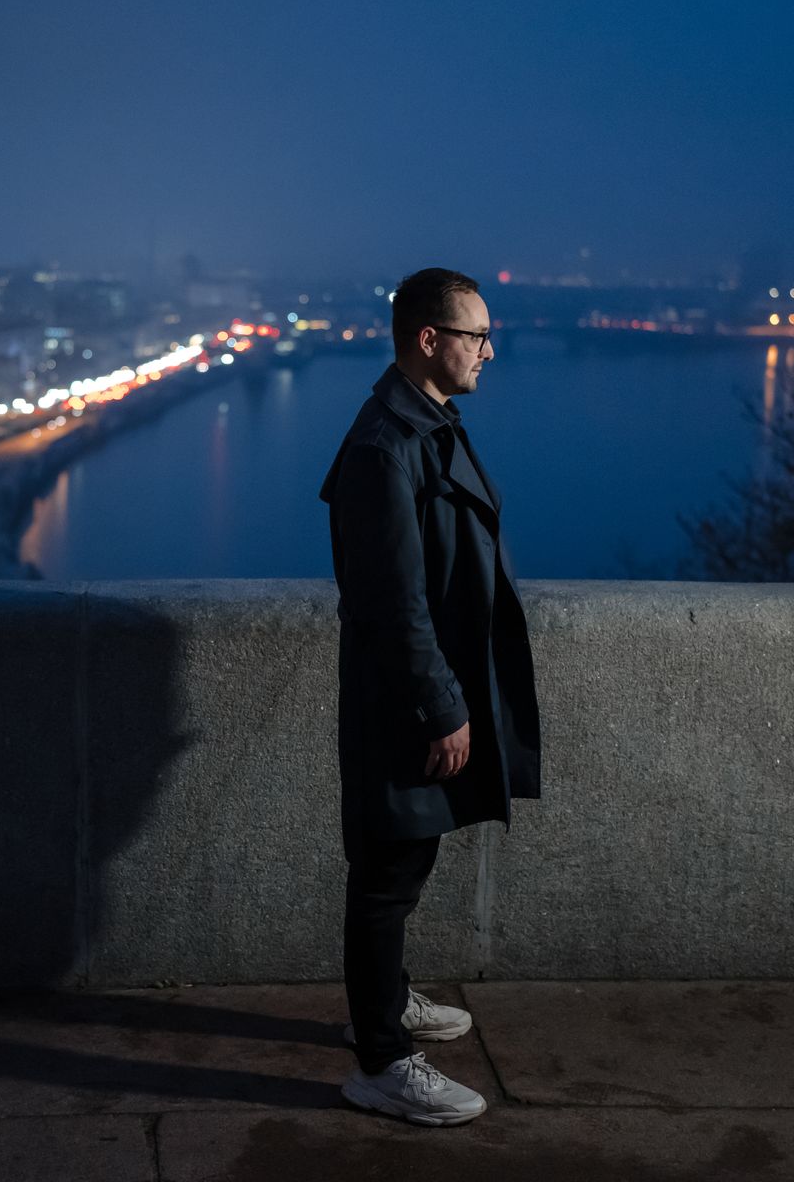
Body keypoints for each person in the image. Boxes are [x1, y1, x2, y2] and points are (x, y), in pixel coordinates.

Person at [317, 266, 542, 1126]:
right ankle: (380, 1058)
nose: (490, 350)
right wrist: (442, 705)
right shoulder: (388, 446)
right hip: (405, 700)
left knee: (403, 863)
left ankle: (388, 1002)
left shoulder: (425, 424)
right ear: (428, 340)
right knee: (386, 869)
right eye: (476, 335)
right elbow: (391, 601)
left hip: (422, 688)